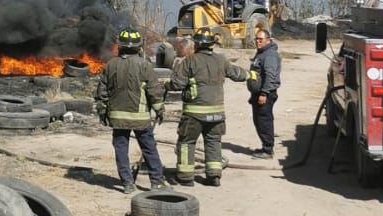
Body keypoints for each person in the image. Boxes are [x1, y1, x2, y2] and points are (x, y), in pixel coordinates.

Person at [165, 27, 247, 186]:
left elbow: (177, 83)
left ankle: (185, 177)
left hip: (194, 114)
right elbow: (238, 74)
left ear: (196, 44)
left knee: (186, 143)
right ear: (212, 45)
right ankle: (214, 176)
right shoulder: (221, 60)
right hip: (217, 113)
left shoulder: (189, 61)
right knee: (213, 142)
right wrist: (251, 75)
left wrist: (167, 84)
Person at [95, 28, 165, 195]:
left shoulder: (111, 65)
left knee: (121, 149)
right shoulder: (144, 65)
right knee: (149, 148)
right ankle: (157, 183)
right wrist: (159, 109)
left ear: (120, 46)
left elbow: (101, 92)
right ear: (139, 47)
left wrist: (102, 112)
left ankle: (127, 183)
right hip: (140, 118)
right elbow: (154, 91)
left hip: (117, 117)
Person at [247, 24, 281, 157]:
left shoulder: (270, 55)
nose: (258, 42)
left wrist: (264, 93)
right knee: (259, 121)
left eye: (261, 39)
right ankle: (265, 147)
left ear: (268, 40)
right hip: (258, 94)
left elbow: (270, 76)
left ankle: (267, 150)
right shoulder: (261, 53)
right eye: (256, 39)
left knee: (264, 121)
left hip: (265, 94)